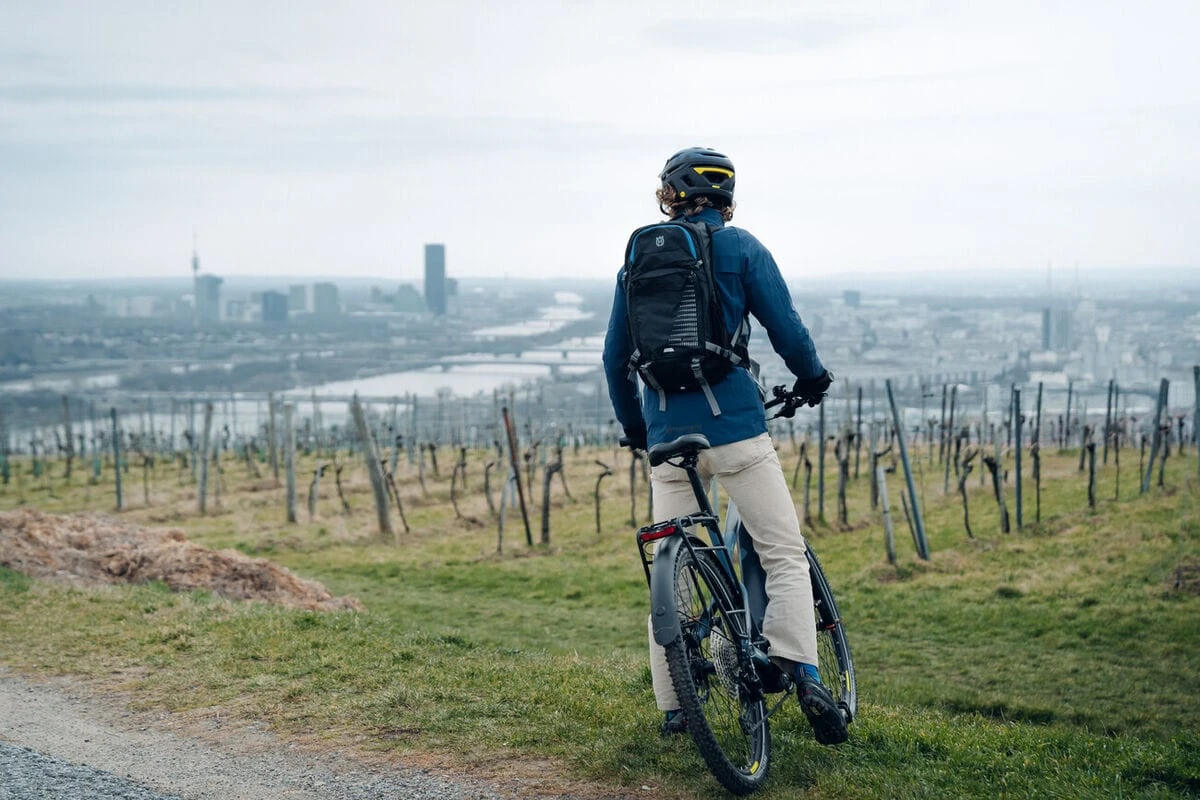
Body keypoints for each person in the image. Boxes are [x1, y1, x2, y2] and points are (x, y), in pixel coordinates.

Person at [602, 146, 848, 745]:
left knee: (676, 569)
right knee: (781, 550)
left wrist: (639, 430)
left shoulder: (639, 259)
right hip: (736, 428)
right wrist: (812, 378)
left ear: (670, 196)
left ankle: (677, 706)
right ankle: (804, 671)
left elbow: (614, 358)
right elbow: (787, 330)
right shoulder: (743, 249)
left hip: (666, 441)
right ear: (726, 199)